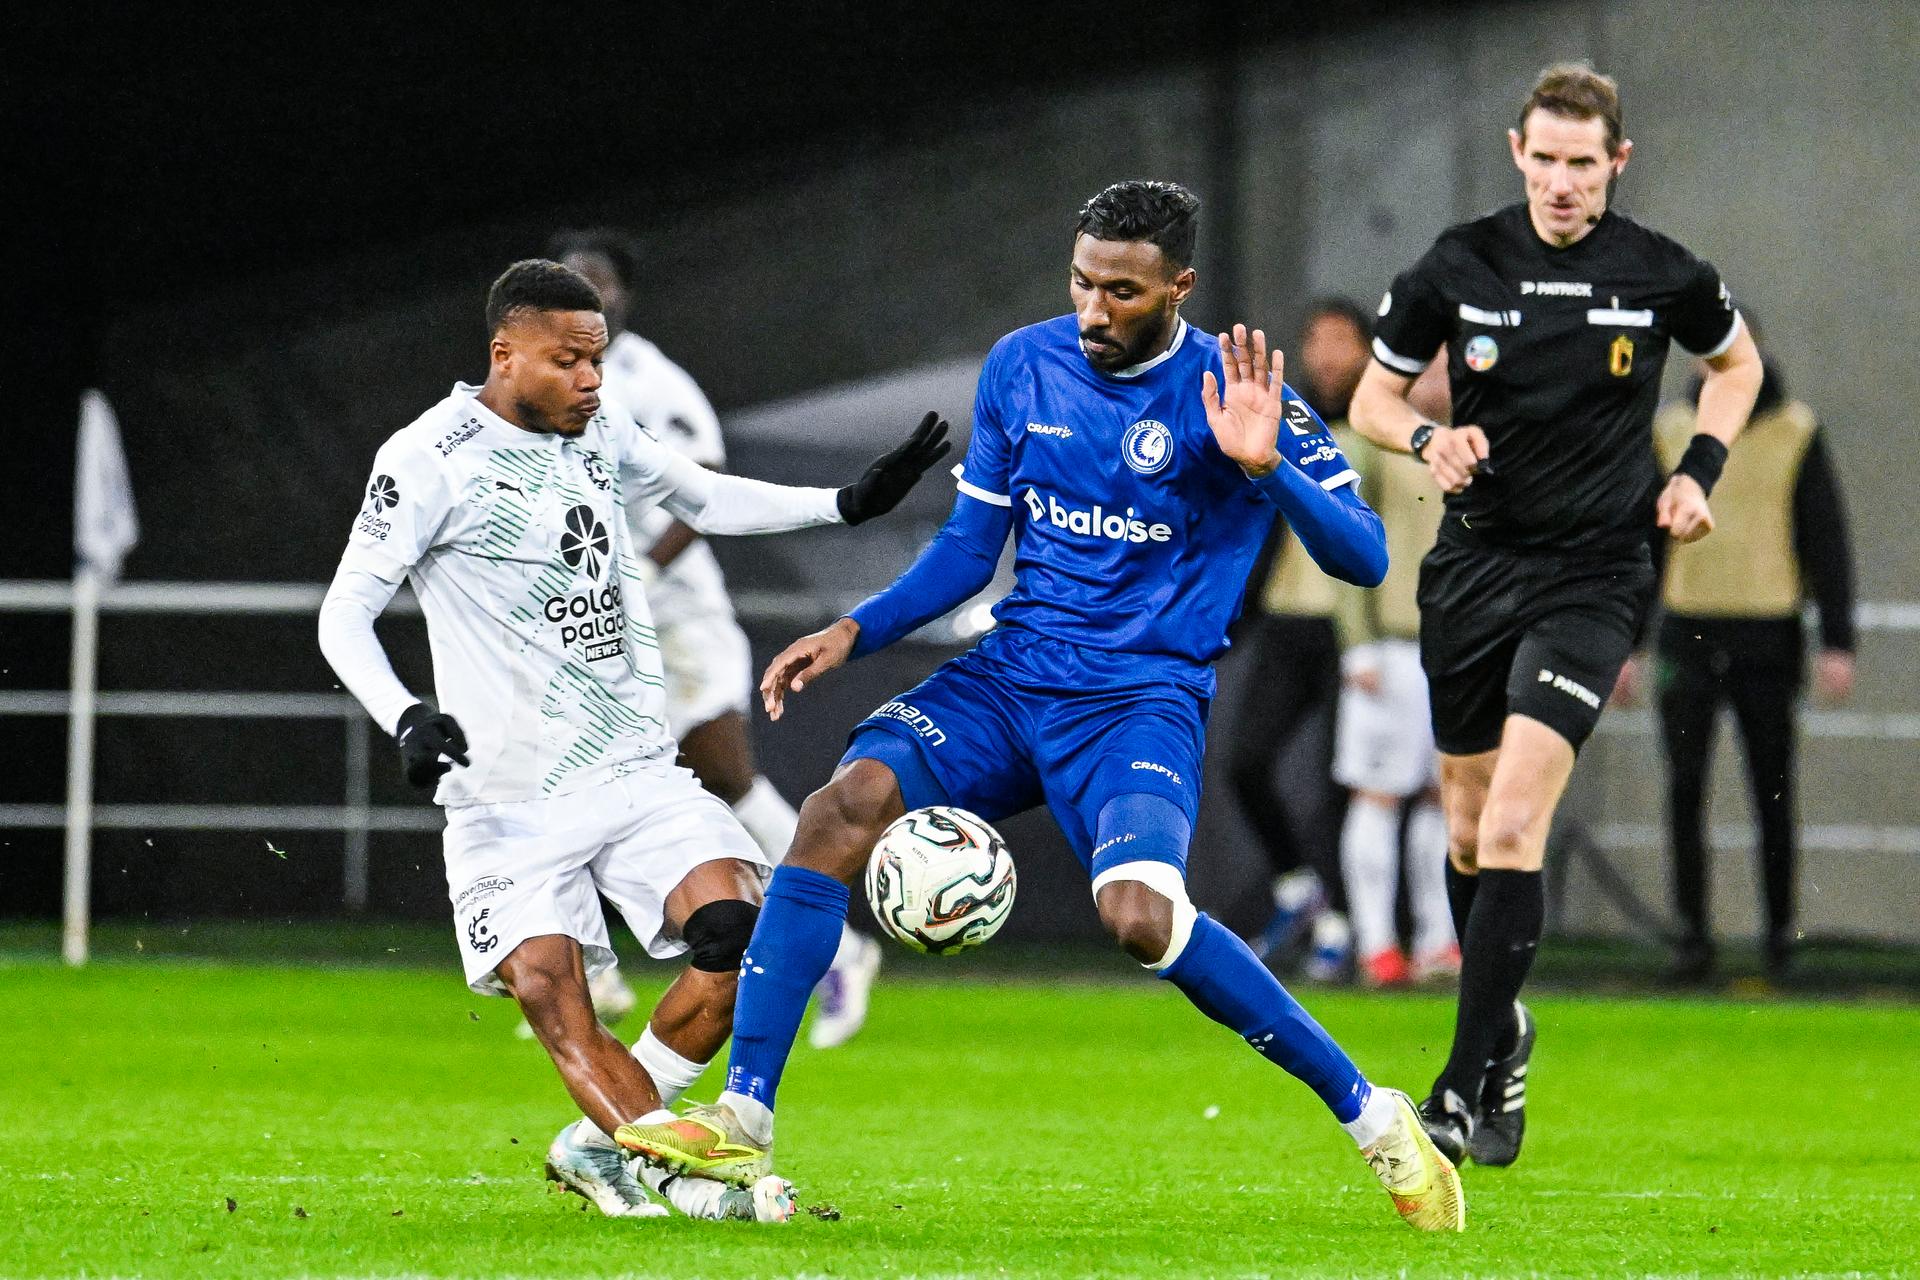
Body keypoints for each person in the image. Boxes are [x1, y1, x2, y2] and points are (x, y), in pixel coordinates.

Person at [621, 180, 1468, 1232]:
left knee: (1141, 919)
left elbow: (1365, 556)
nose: (1094, 309)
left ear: (1179, 287)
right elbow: (969, 548)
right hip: (1012, 676)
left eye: (1123, 292)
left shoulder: (1238, 389)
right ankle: (744, 1114)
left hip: (1138, 700)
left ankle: (1373, 1114)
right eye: (1082, 282)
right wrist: (855, 631)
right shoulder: (1023, 364)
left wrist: (1266, 469)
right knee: (839, 810)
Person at [316, 259, 946, 1220]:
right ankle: (681, 1180)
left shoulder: (600, 428)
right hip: (507, 800)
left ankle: (604, 1144)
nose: (590, 381)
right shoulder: (426, 457)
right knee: (554, 994)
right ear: (505, 354)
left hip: (634, 772)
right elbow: (343, 615)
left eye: (597, 360)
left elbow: (703, 497)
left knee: (741, 935)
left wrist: (844, 504)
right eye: (568, 362)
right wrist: (404, 712)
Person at [1350, 63, 1763, 1168]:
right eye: (1545, 159)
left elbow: (1736, 368)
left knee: (1514, 825)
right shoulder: (1460, 263)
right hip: (1473, 573)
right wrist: (1428, 437)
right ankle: (1507, 1029)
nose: (1563, 182)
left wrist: (1698, 472)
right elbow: (1371, 396)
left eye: (1584, 163)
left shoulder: (1663, 272)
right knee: (1467, 827)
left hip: (1595, 577)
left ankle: (1454, 1090)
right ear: (1517, 153)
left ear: (1617, 163)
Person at [549, 229, 883, 1048]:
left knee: (725, 781)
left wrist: (639, 573)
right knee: (574, 779)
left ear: (623, 296)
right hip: (596, 624)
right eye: (569, 281)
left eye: (597, 283)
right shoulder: (542, 382)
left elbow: (705, 489)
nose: (586, 296)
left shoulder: (650, 382)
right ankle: (586, 965)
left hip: (673, 619)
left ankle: (839, 943)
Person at [1627, 340, 1855, 984]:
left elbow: (1824, 536)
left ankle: (1781, 939)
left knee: (1773, 789)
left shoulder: (1795, 430)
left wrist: (1837, 640)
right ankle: (1691, 939)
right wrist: (1630, 642)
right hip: (1688, 629)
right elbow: (1645, 542)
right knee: (1684, 788)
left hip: (1769, 631)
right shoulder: (1671, 428)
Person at [1224, 299, 1372, 976]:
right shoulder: (1282, 419)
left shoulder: (1380, 424)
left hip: (1355, 631)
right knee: (1245, 763)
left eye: (1343, 340)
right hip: (1286, 620)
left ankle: (1342, 924)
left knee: (1341, 785)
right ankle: (1298, 888)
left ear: (1368, 349)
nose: (1328, 355)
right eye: (1317, 340)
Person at [1332, 351, 1455, 987]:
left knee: (1445, 794)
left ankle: (1438, 941)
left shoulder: (1479, 443)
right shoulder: (1374, 442)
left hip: (1459, 650)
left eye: (1451, 365)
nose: (1440, 379)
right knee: (1377, 794)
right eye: (1429, 366)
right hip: (1394, 646)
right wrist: (1357, 643)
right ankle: (1376, 944)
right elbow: (1344, 538)